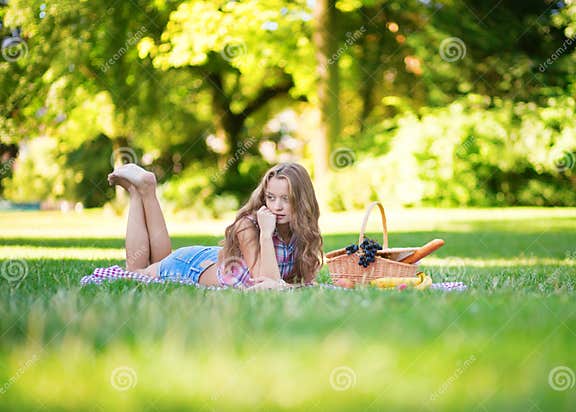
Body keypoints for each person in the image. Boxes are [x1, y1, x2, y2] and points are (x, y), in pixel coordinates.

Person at [107, 162, 323, 290]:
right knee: (136, 270)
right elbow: (267, 285)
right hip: (190, 266)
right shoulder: (249, 226)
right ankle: (137, 193)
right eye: (271, 197)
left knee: (159, 258)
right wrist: (266, 234)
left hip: (212, 259)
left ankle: (146, 188)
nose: (277, 206)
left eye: (286, 198)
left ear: (301, 200)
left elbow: (301, 284)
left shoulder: (300, 230)